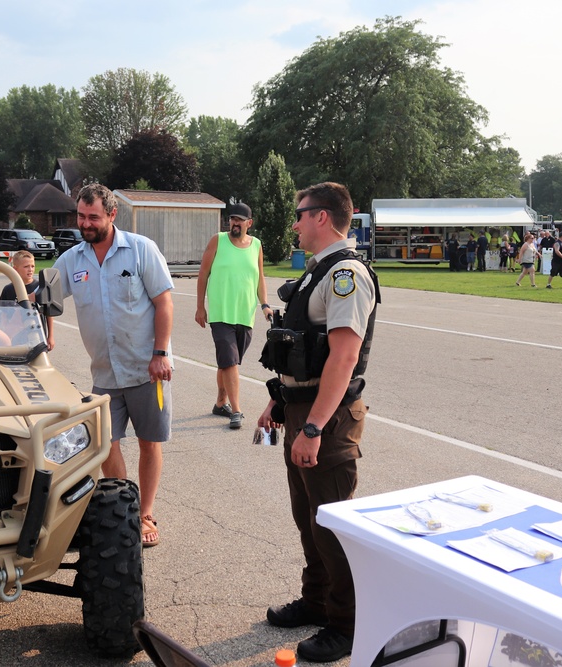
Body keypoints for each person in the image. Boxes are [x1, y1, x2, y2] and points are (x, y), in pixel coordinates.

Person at [258, 182, 379, 663]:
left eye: (301, 214)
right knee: (308, 519)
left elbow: (344, 357)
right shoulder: (318, 273)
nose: (295, 223)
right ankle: (317, 600)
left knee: (331, 524)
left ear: (323, 217)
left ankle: (347, 625)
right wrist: (280, 403)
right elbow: (303, 348)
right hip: (302, 408)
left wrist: (312, 428)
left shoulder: (346, 274)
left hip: (327, 418)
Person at [53, 183, 173, 548]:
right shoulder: (72, 260)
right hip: (104, 373)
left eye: (93, 217)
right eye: (80, 216)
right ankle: (128, 508)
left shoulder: (140, 250)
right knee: (107, 444)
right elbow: (41, 297)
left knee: (150, 442)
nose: (85, 224)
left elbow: (164, 303)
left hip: (145, 369)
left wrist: (160, 353)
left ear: (111, 214)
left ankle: (146, 511)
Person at [195, 202, 272, 430]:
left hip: (245, 314)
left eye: (240, 220)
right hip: (221, 313)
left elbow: (260, 278)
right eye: (232, 219)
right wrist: (200, 307)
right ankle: (236, 410)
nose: (235, 223)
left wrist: (265, 304)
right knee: (230, 362)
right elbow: (203, 274)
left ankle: (220, 403)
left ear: (249, 223)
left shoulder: (256, 245)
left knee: (229, 362)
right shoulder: (217, 240)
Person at [0, 250, 55, 351]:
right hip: (15, 339)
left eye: (32, 266)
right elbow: (3, 314)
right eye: (26, 267)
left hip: (37, 337)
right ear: (15, 269)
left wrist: (50, 336)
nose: (30, 270)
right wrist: (6, 335)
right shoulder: (8, 289)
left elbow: (49, 314)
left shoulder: (40, 288)